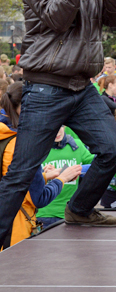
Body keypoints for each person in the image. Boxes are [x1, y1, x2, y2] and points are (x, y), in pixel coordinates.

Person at [0, 0, 116, 244]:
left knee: (113, 150)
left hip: (82, 86)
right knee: (21, 173)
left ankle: (80, 208)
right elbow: (57, 18)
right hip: (45, 86)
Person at [1, 83, 82, 247]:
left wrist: (43, 176)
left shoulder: (5, 137)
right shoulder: (24, 145)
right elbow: (39, 198)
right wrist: (61, 179)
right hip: (14, 231)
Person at [37, 125, 94, 229]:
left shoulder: (77, 145)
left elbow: (96, 166)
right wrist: (44, 174)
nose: (57, 133)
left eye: (59, 128)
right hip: (45, 213)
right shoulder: (37, 149)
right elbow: (28, 179)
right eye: (52, 129)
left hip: (71, 212)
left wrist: (74, 170)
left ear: (64, 125)